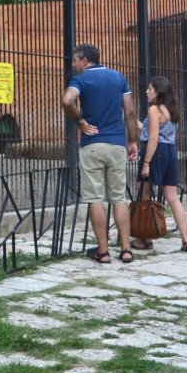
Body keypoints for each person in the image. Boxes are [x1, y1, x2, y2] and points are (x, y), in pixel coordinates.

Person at [62, 43, 139, 263]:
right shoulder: (118, 77)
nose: (73, 65)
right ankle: (126, 249)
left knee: (95, 198)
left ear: (84, 60)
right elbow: (130, 111)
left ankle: (103, 252)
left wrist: (80, 122)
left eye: (75, 60)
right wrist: (132, 141)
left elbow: (67, 100)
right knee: (119, 198)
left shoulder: (80, 80)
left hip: (92, 144)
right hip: (117, 144)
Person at [136, 76, 187, 252]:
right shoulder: (171, 110)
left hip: (155, 152)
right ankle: (186, 239)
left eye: (150, 89)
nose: (147, 91)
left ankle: (144, 238)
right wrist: (131, 120)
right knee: (173, 198)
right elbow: (152, 131)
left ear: (158, 92)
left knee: (144, 196)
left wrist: (146, 163)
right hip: (170, 152)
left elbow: (153, 138)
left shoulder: (154, 109)